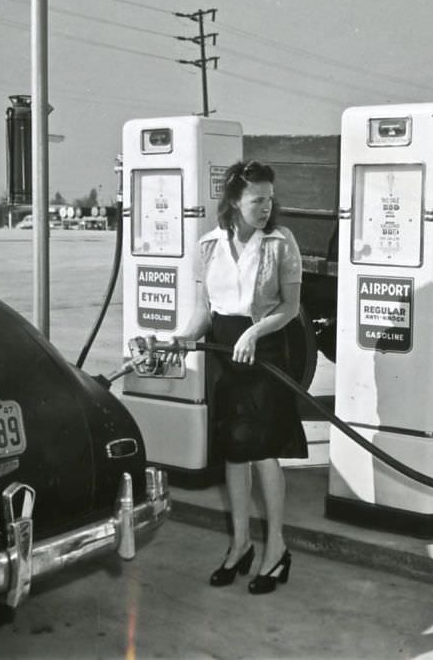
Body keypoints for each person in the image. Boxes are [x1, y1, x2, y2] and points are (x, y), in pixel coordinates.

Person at [168, 160, 307, 595]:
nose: (266, 207)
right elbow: (203, 312)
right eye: (256, 199)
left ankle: (277, 549)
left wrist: (254, 330)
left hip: (266, 351)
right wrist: (181, 337)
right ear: (233, 201)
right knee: (234, 452)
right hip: (226, 355)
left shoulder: (282, 243)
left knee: (264, 450)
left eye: (270, 199)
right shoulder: (207, 246)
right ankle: (241, 544)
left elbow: (289, 307)